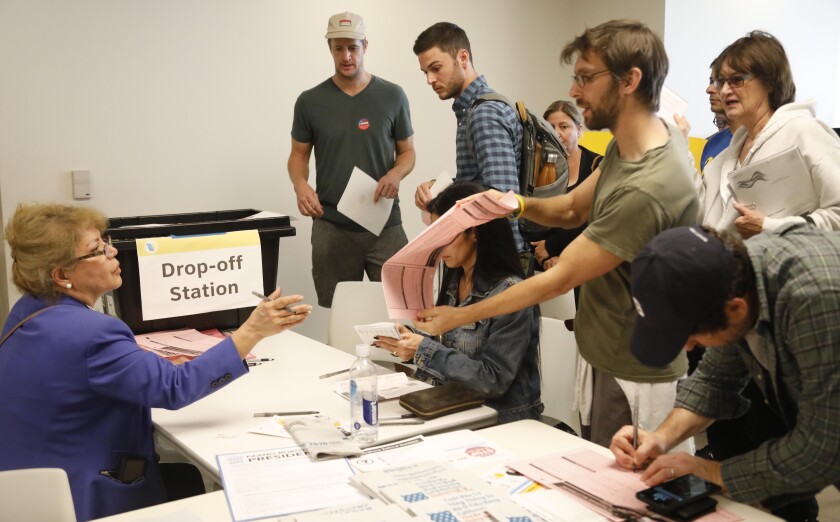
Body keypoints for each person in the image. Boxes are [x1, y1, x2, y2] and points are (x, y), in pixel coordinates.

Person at [417, 19, 699, 448]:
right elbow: (570, 207)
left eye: (586, 78)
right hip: (605, 354)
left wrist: (459, 316)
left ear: (630, 81)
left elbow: (561, 277)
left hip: (634, 373)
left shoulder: (649, 185)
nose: (573, 91)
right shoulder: (630, 144)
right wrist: (519, 203)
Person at [0, 203, 312, 521]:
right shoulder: (91, 333)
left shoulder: (27, 311)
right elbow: (174, 388)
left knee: (188, 478)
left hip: (28, 489)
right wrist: (252, 331)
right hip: (89, 495)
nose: (112, 252)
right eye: (96, 251)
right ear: (61, 275)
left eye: (106, 242)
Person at [611, 224, 840, 522]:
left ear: (736, 310)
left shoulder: (816, 301)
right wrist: (659, 438)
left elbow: (825, 446)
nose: (690, 348)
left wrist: (712, 471)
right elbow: (716, 380)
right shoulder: (733, 276)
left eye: (691, 336)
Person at [375, 182, 542, 424]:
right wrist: (411, 342)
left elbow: (492, 381)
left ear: (473, 232)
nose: (436, 246)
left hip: (501, 420)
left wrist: (423, 350)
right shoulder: (455, 281)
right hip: (457, 410)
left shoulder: (513, 294)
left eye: (442, 235)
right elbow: (453, 351)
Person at [288, 11, 415, 308]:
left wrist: (396, 174)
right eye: (339, 48)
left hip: (384, 223)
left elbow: (407, 152)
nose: (346, 56)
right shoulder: (310, 101)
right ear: (330, 48)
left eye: (353, 47)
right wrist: (300, 185)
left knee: (404, 309)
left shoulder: (393, 95)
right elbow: (297, 155)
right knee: (340, 313)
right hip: (331, 225)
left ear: (365, 46)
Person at [700, 30, 840, 239]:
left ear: (770, 82)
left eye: (737, 80)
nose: (725, 90)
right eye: (721, 82)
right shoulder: (720, 161)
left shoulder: (803, 132)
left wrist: (770, 227)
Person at [411, 22, 529, 269]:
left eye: (436, 68)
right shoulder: (471, 111)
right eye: (425, 72)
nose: (430, 80)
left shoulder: (484, 114)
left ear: (462, 57)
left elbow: (502, 201)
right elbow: (479, 184)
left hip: (496, 262)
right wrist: (440, 191)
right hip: (489, 258)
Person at [531, 100, 602, 281]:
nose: (556, 133)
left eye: (564, 127)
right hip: (544, 264)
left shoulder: (598, 165)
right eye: (550, 127)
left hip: (589, 264)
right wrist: (547, 255)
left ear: (579, 130)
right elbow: (536, 217)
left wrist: (554, 246)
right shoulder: (535, 168)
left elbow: (597, 219)